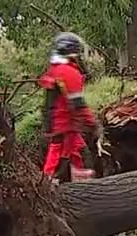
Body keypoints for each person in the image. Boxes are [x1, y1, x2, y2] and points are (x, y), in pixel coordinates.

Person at [39, 32, 96, 182]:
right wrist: (91, 122)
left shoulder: (56, 69)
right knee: (59, 159)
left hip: (63, 125)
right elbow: (77, 102)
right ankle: (45, 187)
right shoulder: (68, 71)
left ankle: (82, 185)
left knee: (78, 155)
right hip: (65, 125)